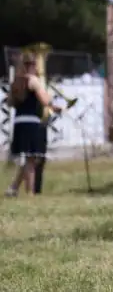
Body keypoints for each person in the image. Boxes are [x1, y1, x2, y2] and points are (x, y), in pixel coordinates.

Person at [4, 53, 61, 197]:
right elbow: (45, 101)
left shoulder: (16, 81)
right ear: (31, 66)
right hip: (32, 122)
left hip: (19, 122)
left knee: (30, 159)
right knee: (31, 159)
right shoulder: (34, 81)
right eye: (35, 64)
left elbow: (9, 102)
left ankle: (13, 188)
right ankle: (30, 193)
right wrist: (54, 105)